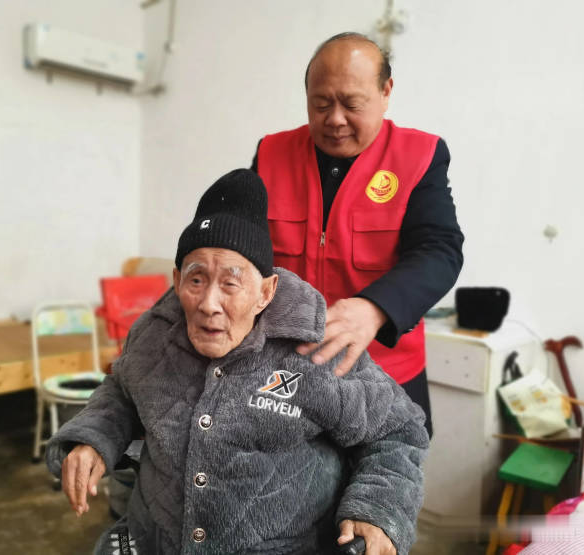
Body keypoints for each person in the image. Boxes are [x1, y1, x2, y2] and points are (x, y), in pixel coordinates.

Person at [46, 169, 429, 555]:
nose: (209, 304)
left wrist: (378, 509)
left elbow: (399, 429)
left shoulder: (317, 348)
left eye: (230, 283)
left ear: (266, 292)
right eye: (196, 280)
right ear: (177, 281)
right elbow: (122, 391)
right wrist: (93, 438)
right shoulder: (153, 334)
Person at [252, 33, 464, 437]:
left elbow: (439, 251)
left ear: (385, 92)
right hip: (285, 369)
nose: (335, 119)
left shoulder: (419, 156)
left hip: (386, 373)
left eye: (352, 104)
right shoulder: (270, 154)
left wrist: (374, 308)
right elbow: (241, 247)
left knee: (389, 472)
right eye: (321, 104)